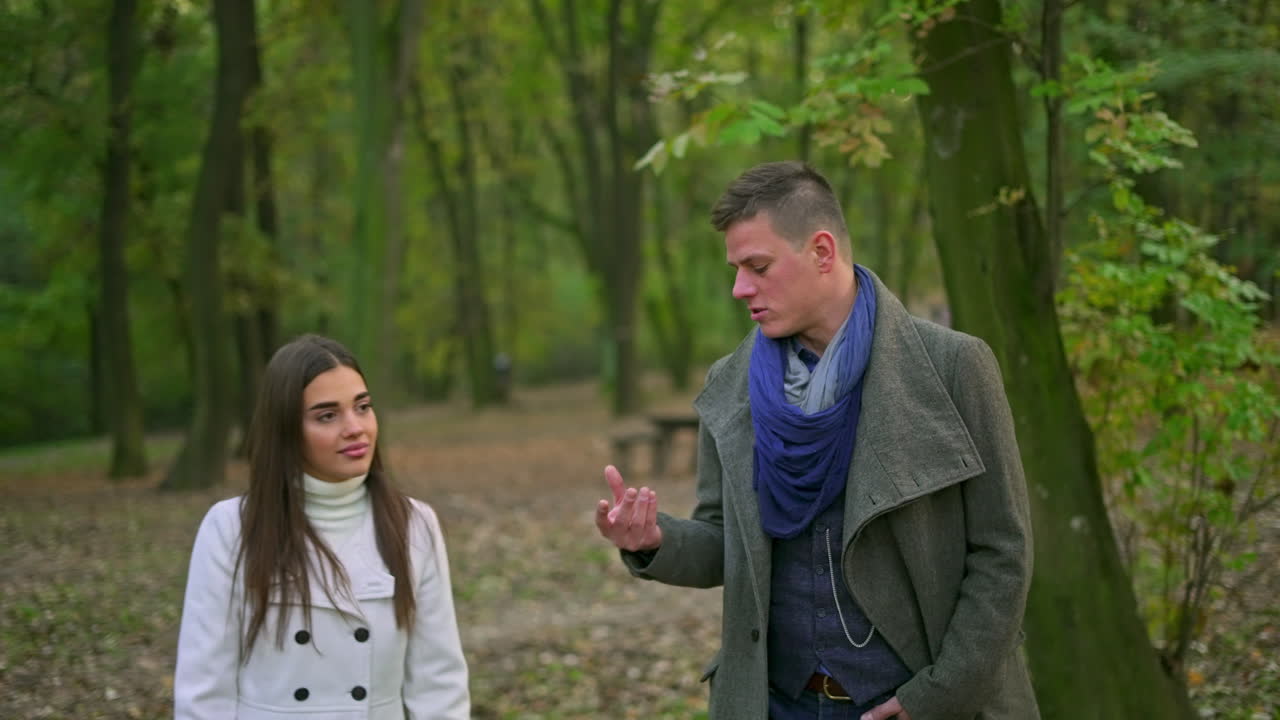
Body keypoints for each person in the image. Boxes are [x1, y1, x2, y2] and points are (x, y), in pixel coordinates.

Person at [595, 162, 1038, 720]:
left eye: (758, 267)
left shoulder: (953, 366)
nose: (739, 288)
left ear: (823, 252)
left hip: (916, 701)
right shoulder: (729, 386)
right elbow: (723, 543)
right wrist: (654, 540)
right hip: (777, 704)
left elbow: (1002, 553)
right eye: (736, 269)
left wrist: (937, 695)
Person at [174, 334, 470, 719]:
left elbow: (439, 687)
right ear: (285, 430)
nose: (355, 428)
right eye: (327, 415)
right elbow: (203, 693)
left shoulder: (414, 525)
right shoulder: (231, 529)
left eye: (362, 407)